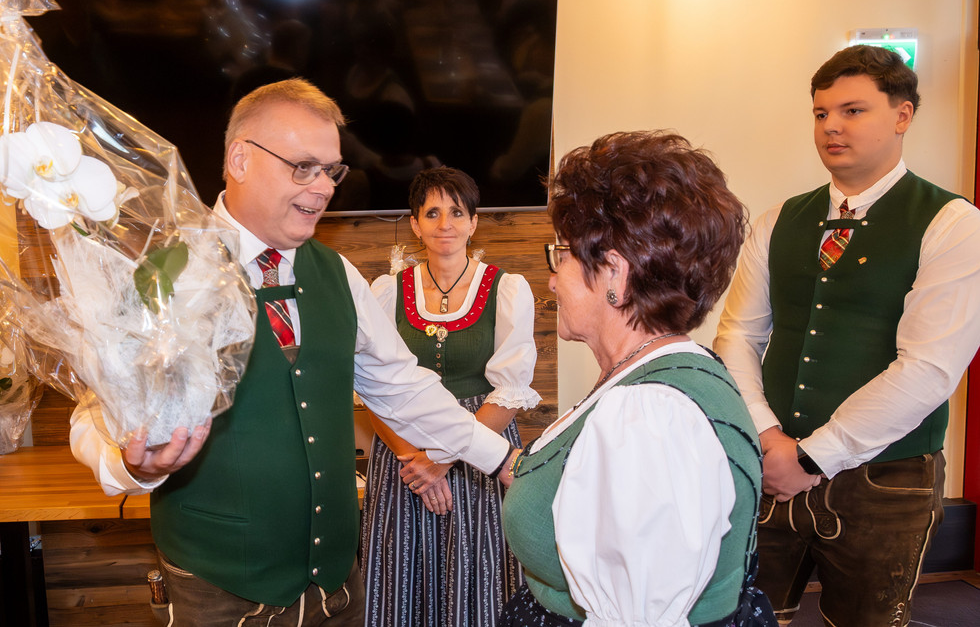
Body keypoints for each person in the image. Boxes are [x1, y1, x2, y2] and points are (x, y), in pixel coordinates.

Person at [69, 78, 517, 626]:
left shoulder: (338, 273)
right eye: (303, 167)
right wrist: (129, 467)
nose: (324, 187)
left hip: (338, 589)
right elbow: (91, 414)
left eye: (331, 170)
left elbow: (401, 387)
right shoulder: (165, 270)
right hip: (218, 593)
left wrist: (502, 460)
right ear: (239, 159)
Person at [713, 45, 980, 626]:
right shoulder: (778, 219)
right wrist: (768, 437)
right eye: (820, 113)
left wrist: (813, 456)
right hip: (770, 466)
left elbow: (929, 368)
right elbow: (736, 337)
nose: (831, 126)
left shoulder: (953, 223)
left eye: (852, 111)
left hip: (886, 482)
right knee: (739, 617)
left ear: (903, 116)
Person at [500, 130, 764, 626]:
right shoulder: (662, 373)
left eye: (561, 254)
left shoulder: (651, 415)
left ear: (615, 275)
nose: (552, 278)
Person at [360, 166, 539, 626]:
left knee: (477, 576)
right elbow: (374, 388)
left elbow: (510, 390)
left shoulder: (507, 288)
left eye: (457, 212)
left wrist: (443, 459)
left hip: (482, 445)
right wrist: (415, 460)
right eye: (432, 213)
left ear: (474, 222)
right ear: (415, 224)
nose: (446, 224)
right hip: (403, 454)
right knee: (404, 575)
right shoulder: (386, 291)